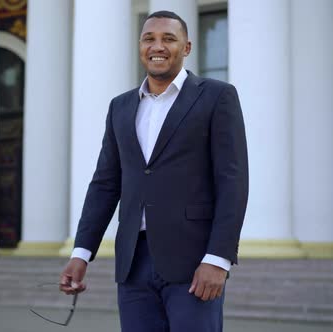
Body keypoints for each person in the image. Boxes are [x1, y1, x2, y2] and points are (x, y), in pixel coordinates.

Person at [59, 10, 248, 332]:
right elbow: (105, 184)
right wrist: (81, 253)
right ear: (140, 46)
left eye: (168, 39)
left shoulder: (217, 96)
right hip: (133, 262)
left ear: (186, 47)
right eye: (149, 38)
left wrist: (218, 258)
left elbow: (232, 181)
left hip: (194, 260)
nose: (157, 46)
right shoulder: (120, 106)